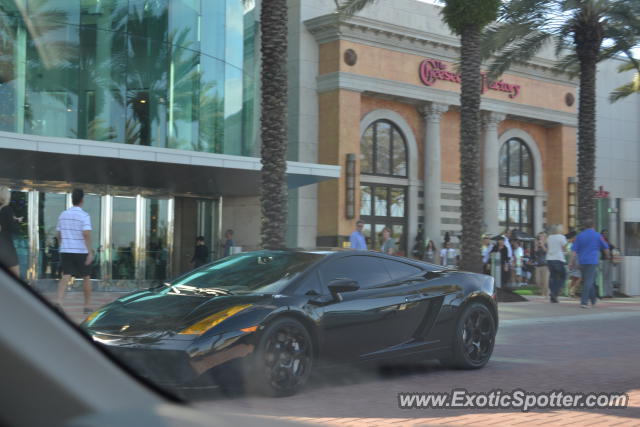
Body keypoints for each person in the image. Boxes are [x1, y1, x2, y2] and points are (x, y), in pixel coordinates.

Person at [56, 189, 94, 313]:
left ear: (72, 199)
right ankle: (87, 306)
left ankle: (59, 302)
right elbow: (86, 234)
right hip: (81, 251)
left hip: (66, 250)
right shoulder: (84, 215)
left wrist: (63, 244)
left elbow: (58, 234)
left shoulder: (63, 214)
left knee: (65, 276)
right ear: (82, 200)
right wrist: (90, 252)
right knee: (86, 277)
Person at [572, 219, 609, 308]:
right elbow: (605, 247)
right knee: (588, 281)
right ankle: (584, 302)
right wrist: (608, 256)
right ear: (593, 225)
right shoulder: (597, 235)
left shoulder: (580, 236)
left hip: (582, 262)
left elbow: (574, 251)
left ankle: (593, 300)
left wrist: (571, 262)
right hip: (592, 261)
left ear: (585, 226)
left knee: (589, 280)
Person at [0, 186, 21, 278]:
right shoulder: (7, 209)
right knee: (15, 276)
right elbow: (14, 229)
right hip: (6, 246)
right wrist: (16, 221)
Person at [546, 224, 567, 303]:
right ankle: (555, 292)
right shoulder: (561, 237)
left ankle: (552, 294)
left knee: (553, 277)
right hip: (558, 259)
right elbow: (565, 247)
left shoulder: (549, 237)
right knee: (563, 276)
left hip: (549, 259)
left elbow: (549, 248)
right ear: (559, 230)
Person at [565, 231, 581, 298]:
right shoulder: (573, 244)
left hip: (573, 259)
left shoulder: (569, 244)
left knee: (574, 277)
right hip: (576, 259)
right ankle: (572, 291)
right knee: (579, 277)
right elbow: (572, 253)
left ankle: (571, 291)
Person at [600, 229, 615, 297]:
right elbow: (608, 247)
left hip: (609, 260)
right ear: (602, 234)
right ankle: (605, 293)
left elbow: (612, 247)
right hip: (604, 260)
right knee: (605, 277)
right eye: (604, 233)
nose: (605, 234)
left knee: (609, 277)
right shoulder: (601, 240)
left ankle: (609, 293)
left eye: (606, 233)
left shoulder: (606, 240)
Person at [534, 232, 549, 297]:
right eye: (539, 236)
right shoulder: (538, 244)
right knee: (538, 280)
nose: (540, 237)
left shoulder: (547, 244)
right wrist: (537, 245)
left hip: (545, 264)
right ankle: (542, 291)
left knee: (545, 280)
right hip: (538, 264)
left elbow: (547, 252)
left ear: (545, 237)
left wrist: (542, 245)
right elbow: (535, 251)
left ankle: (546, 293)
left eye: (541, 236)